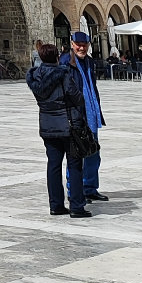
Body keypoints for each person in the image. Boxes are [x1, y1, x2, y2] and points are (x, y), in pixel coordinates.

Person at [26, 41, 93, 218]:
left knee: (53, 166)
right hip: (68, 126)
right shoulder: (63, 75)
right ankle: (77, 207)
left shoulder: (34, 78)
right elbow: (77, 97)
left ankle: (56, 205)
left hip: (48, 126)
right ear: (56, 56)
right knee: (75, 165)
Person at [60, 32, 109, 203]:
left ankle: (90, 188)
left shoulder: (89, 62)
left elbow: (92, 87)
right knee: (76, 155)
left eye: (84, 44)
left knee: (93, 153)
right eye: (78, 44)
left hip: (91, 115)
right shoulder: (67, 62)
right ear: (72, 43)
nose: (81, 48)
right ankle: (74, 190)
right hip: (76, 116)